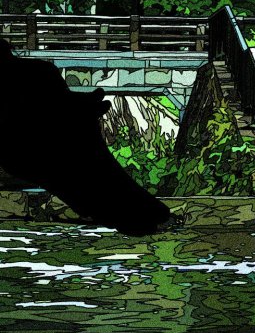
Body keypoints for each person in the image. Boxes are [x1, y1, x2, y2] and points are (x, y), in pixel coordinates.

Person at [0, 39, 173, 234]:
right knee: (90, 173)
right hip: (42, 142)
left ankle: (131, 214)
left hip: (41, 142)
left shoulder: (39, 73)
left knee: (88, 173)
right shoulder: (40, 71)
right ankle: (134, 214)